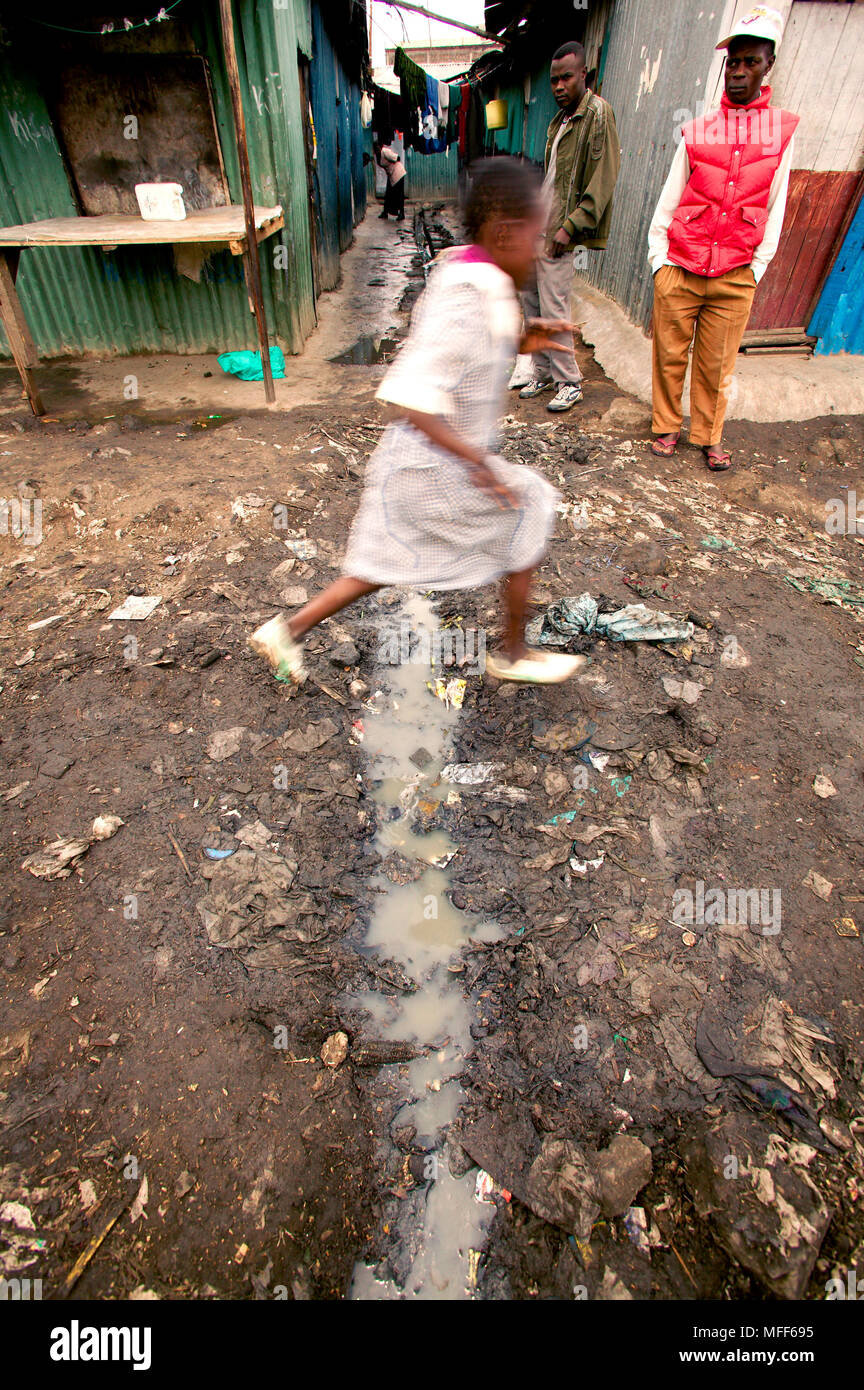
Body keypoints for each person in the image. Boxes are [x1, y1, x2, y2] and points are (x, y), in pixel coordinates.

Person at [250, 159, 586, 687]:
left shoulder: (479, 275)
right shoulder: (465, 298)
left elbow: (474, 353)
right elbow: (412, 397)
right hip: (431, 470)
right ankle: (514, 652)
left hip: (412, 469)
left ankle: (286, 631)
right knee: (531, 505)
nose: (540, 249)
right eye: (535, 236)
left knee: (374, 569)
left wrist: (527, 339)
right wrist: (480, 463)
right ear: (503, 233)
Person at [647, 6, 798, 471]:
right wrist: (659, 261)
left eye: (749, 62)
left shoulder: (782, 132)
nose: (737, 71)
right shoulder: (697, 130)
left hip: (735, 272)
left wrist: (757, 269)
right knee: (669, 356)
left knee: (717, 365)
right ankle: (667, 425)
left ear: (767, 65)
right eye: (732, 62)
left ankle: (709, 435)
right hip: (681, 264)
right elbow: (670, 197)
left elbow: (776, 205)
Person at [517, 41, 620, 413]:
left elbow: (603, 179)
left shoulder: (597, 115)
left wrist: (571, 227)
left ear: (584, 76)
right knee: (531, 301)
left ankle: (569, 381)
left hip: (561, 231)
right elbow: (552, 179)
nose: (559, 87)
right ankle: (542, 372)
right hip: (540, 228)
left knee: (555, 306)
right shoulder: (558, 122)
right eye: (554, 80)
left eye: (566, 78)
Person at [374, 139, 406, 222]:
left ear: (381, 147)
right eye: (375, 148)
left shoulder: (385, 151)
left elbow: (397, 158)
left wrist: (392, 167)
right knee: (388, 194)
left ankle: (401, 213)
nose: (376, 149)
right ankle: (385, 212)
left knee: (398, 194)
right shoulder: (378, 156)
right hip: (391, 175)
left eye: (377, 147)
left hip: (398, 173)